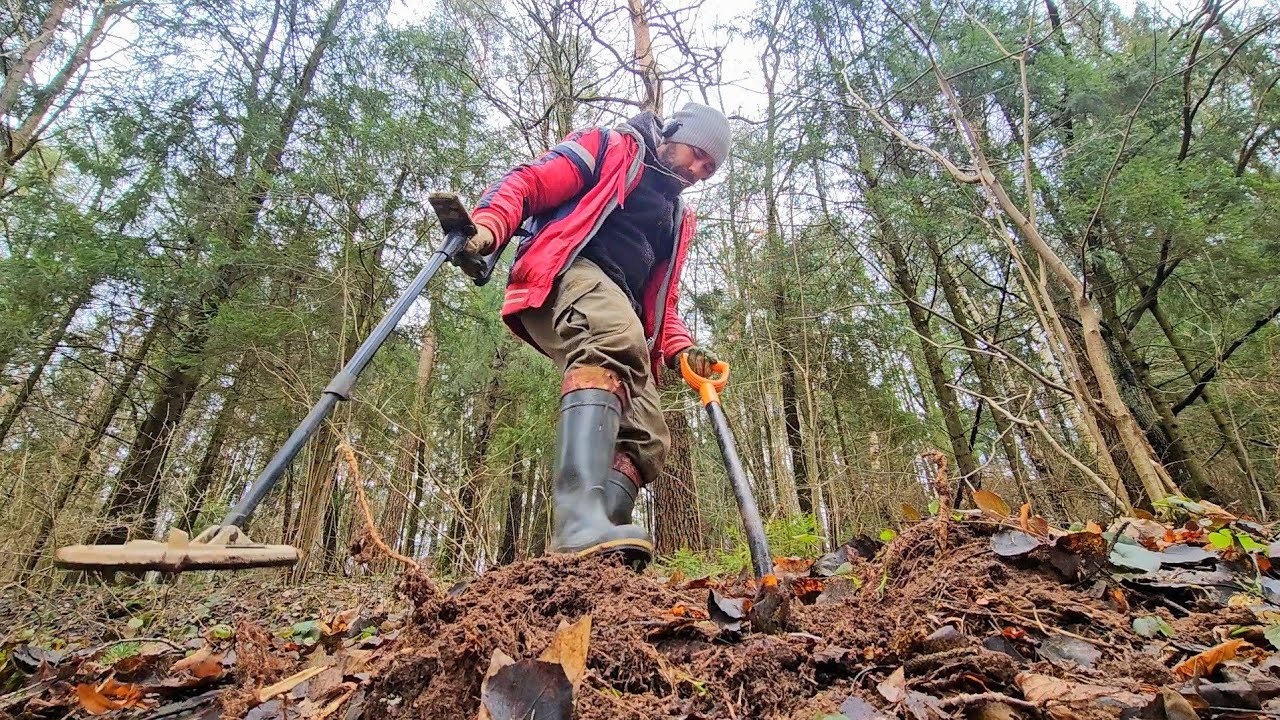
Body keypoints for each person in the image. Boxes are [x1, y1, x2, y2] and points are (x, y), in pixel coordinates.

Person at [461, 102, 732, 568]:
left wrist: (683, 350)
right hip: (566, 273)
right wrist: (489, 225)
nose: (700, 172)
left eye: (709, 169)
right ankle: (577, 522)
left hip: (620, 310)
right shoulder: (610, 147)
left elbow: (661, 306)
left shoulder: (677, 219)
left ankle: (592, 560)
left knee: (647, 431)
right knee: (613, 332)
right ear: (677, 132)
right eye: (699, 156)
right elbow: (531, 181)